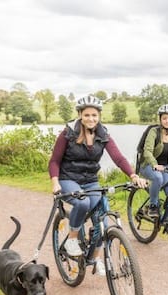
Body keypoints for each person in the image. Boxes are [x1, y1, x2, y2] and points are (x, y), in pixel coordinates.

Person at [48, 95, 147, 276]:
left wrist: (133, 176)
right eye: (87, 115)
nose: (91, 119)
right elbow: (54, 161)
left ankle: (94, 257)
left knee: (101, 215)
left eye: (94, 115)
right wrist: (55, 182)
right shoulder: (67, 133)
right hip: (68, 179)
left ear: (99, 116)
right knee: (83, 202)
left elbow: (118, 158)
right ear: (80, 115)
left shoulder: (103, 134)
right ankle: (71, 239)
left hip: (91, 181)